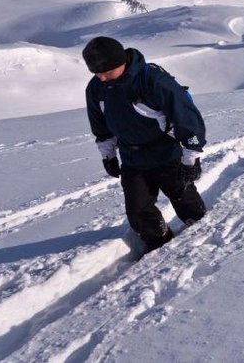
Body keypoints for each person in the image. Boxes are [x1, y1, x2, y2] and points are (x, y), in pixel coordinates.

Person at [82, 36, 206, 253]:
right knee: (138, 210)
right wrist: (108, 154)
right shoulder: (96, 88)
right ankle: (158, 242)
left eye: (107, 71)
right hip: (132, 157)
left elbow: (186, 117)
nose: (101, 77)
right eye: (96, 73)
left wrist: (191, 157)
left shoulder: (153, 80)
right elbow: (100, 124)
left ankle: (201, 229)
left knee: (183, 196)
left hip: (166, 153)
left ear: (121, 61)